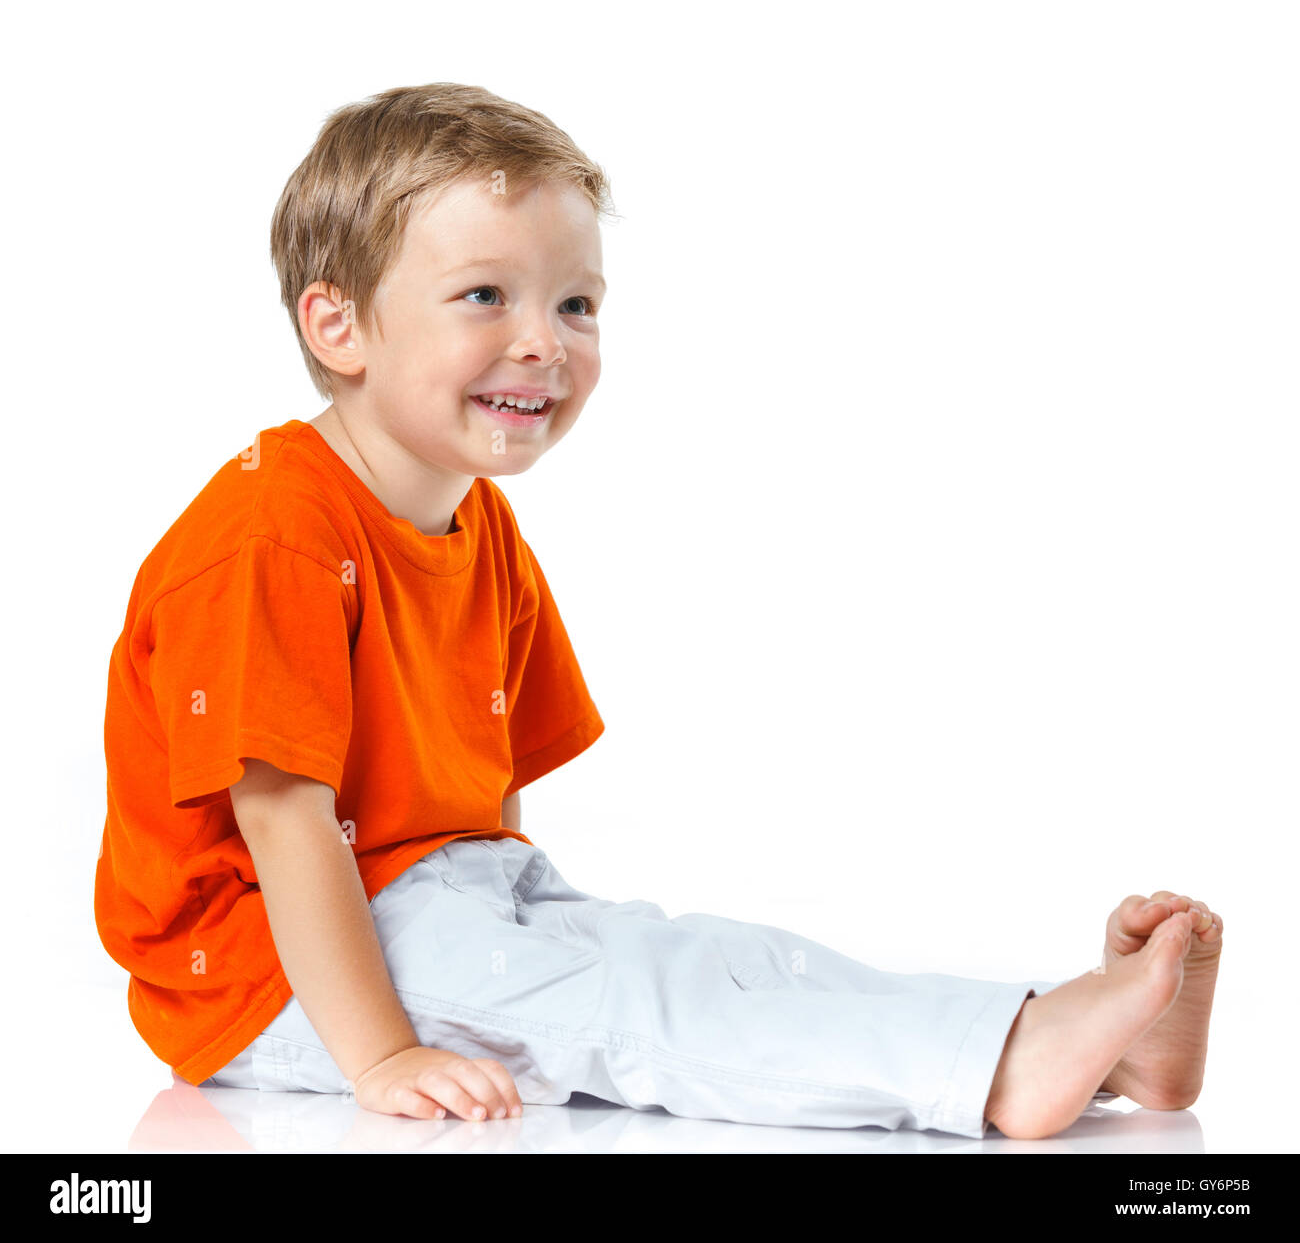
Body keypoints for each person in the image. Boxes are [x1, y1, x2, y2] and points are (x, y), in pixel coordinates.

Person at [95, 83, 1222, 1141]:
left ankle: (1073, 1041)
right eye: (484, 295)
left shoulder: (475, 520)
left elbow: (485, 795)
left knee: (698, 957)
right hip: (274, 971)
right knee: (634, 1000)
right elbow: (285, 818)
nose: (543, 340)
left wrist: (519, 927)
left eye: (574, 302)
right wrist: (382, 1052)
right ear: (338, 327)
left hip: (438, 887)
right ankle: (1003, 1071)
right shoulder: (273, 532)